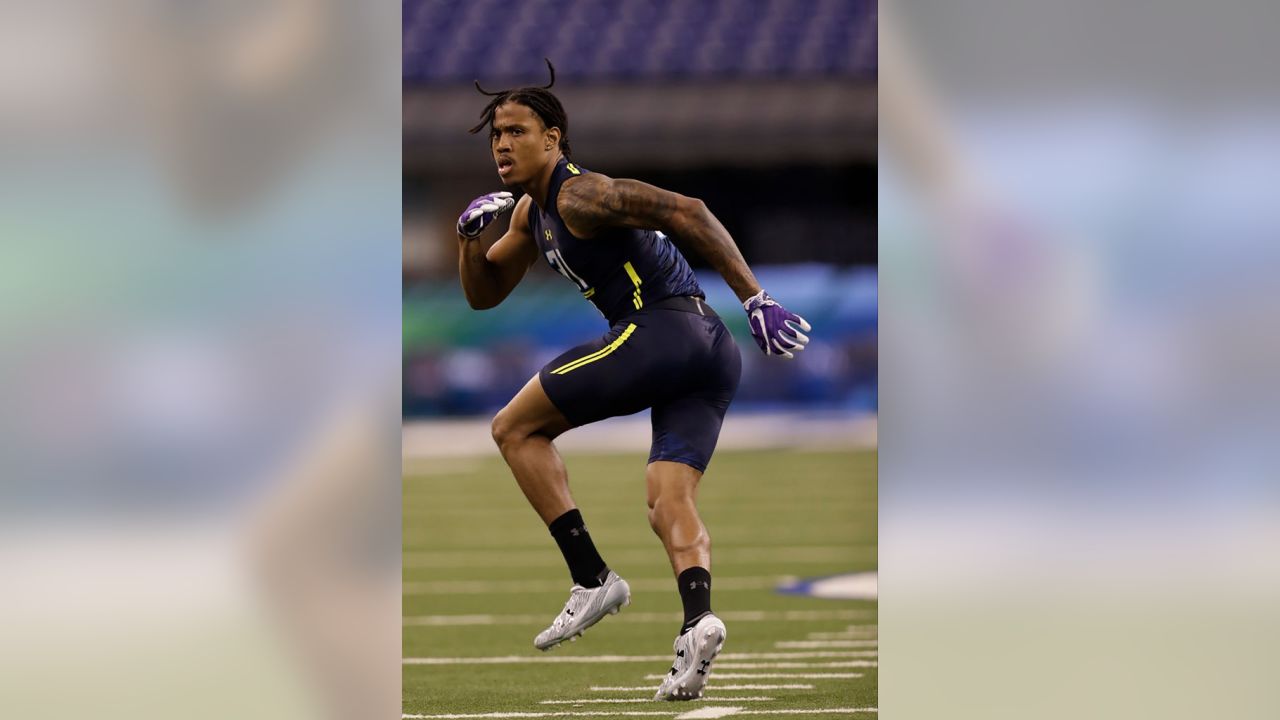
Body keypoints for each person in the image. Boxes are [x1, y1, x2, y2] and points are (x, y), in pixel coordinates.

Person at [455, 61, 811, 702]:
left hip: (662, 332)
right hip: (708, 350)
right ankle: (699, 622)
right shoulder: (529, 215)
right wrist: (465, 239)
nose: (502, 144)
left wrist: (756, 296)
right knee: (666, 499)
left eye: (516, 130)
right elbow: (485, 293)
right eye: (495, 135)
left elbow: (688, 210)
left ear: (554, 137)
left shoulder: (578, 195)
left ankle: (591, 577)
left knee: (513, 428)